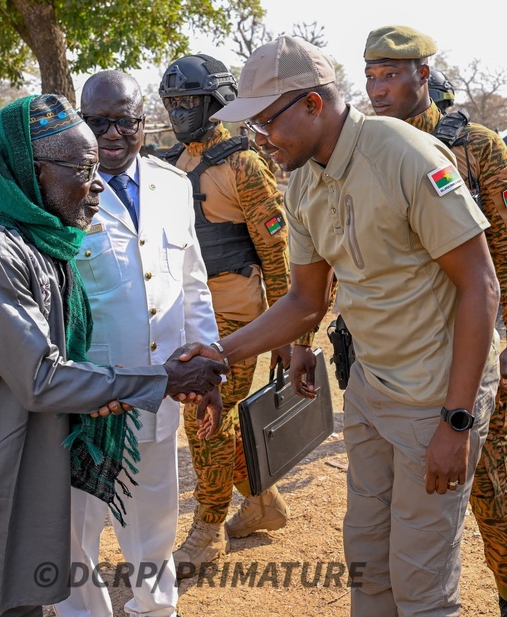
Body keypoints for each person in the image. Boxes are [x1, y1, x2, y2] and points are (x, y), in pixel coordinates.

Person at [0, 93, 226, 617]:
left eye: (98, 168)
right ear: (32, 172)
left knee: (10, 590)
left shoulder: (40, 243)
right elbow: (41, 377)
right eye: (82, 169)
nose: (98, 184)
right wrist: (159, 379)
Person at [183, 35, 502, 617]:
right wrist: (219, 354)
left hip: (435, 395)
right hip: (373, 389)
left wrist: (457, 421)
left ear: (311, 104)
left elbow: (480, 285)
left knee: (421, 586)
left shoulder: (407, 156)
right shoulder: (304, 177)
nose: (259, 141)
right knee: (368, 566)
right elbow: (306, 300)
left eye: (264, 124)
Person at [363, 25, 507, 617]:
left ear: (424, 76)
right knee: (392, 503)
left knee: (485, 479)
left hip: (467, 344)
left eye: (391, 75)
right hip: (393, 357)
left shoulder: (477, 146)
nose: (378, 89)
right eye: (371, 76)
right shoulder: (364, 147)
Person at [54, 71, 219, 617]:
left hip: (159, 393)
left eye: (125, 119)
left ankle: (156, 610)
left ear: (142, 122)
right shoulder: (62, 190)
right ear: (81, 122)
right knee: (76, 530)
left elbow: (191, 281)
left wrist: (207, 362)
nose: (113, 132)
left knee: (154, 524)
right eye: (98, 121)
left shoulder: (173, 184)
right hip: (88, 402)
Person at [158, 53, 310, 571]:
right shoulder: (170, 163)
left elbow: (279, 254)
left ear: (216, 102)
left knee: (205, 421)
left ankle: (207, 529)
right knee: (221, 424)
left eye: (189, 102)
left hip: (239, 320)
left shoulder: (245, 164)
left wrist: (290, 336)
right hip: (187, 316)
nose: (179, 112)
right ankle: (262, 501)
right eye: (171, 102)